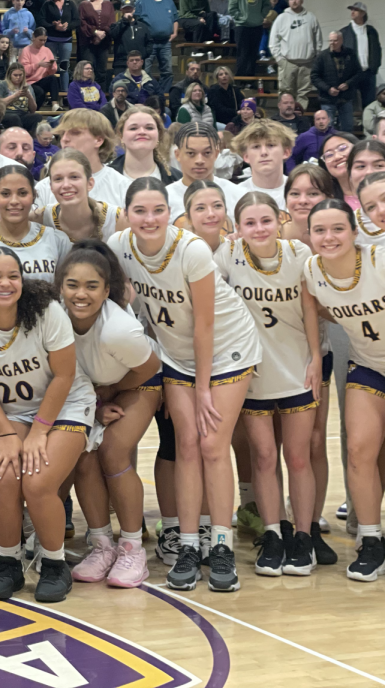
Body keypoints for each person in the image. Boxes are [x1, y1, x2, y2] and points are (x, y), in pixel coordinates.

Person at [109, 177, 261, 592]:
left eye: (158, 209)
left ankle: (222, 544)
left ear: (169, 212)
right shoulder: (121, 245)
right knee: (188, 444)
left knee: (213, 444)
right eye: (140, 210)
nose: (149, 218)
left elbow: (206, 325)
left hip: (227, 348)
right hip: (177, 355)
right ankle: (190, 545)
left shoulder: (190, 249)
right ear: (127, 214)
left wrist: (205, 387)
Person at [0, 246, 92, 603]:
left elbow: (64, 376)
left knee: (37, 482)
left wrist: (38, 432)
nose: (5, 283)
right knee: (1, 478)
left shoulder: (48, 313)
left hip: (65, 406)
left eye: (12, 276)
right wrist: (3, 430)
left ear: (22, 279)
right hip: (13, 412)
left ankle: (54, 565)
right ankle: (8, 563)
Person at [215, 194, 322, 577]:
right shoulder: (228, 256)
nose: (258, 229)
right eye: (249, 223)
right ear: (237, 227)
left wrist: (315, 357)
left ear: (280, 220)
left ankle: (304, 537)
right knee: (262, 457)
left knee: (297, 457)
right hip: (252, 371)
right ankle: (273, 533)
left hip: (296, 368)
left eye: (265, 220)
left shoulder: (298, 253)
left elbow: (310, 308)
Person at [59, 240, 162, 588]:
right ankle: (102, 545)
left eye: (91, 286)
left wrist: (109, 394)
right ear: (61, 286)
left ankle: (132, 548)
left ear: (106, 290)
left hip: (137, 382)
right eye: (72, 285)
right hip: (93, 392)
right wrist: (96, 403)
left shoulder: (119, 328)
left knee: (113, 451)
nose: (80, 294)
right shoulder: (54, 319)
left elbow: (150, 367)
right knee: (83, 456)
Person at [304, 198, 385, 579]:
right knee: (357, 449)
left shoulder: (379, 262)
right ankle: (372, 541)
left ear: (355, 232)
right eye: (319, 230)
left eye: (338, 229)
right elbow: (313, 312)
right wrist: (311, 358)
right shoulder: (311, 269)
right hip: (369, 367)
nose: (329, 237)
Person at [0, 164, 71, 282]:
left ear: (33, 196)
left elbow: (65, 292)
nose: (14, 201)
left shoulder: (58, 240)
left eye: (22, 193)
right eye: (5, 194)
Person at [35, 149, 126, 243]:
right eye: (58, 179)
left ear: (90, 183)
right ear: (51, 187)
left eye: (74, 177)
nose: (66, 185)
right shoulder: (40, 218)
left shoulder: (118, 220)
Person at [268, 0, 323, 108]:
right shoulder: (281, 18)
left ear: (302, 0)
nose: (294, 1)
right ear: (288, 1)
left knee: (304, 94)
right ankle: (286, 120)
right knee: (286, 94)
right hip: (288, 63)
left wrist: (315, 56)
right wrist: (280, 59)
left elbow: (318, 39)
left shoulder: (311, 17)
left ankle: (300, 120)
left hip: (306, 63)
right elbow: (273, 41)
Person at [133, 0, 177, 97]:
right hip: (148, 43)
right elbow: (135, 20)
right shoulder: (141, 1)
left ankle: (162, 96)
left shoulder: (168, 0)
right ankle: (148, 95)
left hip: (165, 42)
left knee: (168, 71)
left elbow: (175, 18)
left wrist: (175, 33)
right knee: (145, 72)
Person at [312, 30, 361, 133]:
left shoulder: (350, 54)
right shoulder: (322, 56)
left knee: (347, 127)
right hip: (327, 98)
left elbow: (358, 73)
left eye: (335, 40)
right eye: (330, 40)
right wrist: (328, 89)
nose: (332, 43)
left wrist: (348, 84)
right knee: (327, 128)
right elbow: (314, 76)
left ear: (341, 40)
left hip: (346, 97)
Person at [229, 0, 272, 78]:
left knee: (253, 54)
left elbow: (267, 4)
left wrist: (261, 16)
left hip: (256, 25)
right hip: (242, 26)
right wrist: (241, 17)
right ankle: (240, 79)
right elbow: (232, 7)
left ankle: (250, 79)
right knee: (242, 53)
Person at [37, 0, 78, 96]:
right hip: (51, 40)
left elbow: (77, 20)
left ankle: (65, 93)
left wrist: (67, 26)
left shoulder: (70, 3)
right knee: (50, 67)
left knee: (64, 66)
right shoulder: (47, 4)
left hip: (66, 40)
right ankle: (52, 93)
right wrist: (53, 25)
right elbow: (41, 20)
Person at [18, 29, 60, 109]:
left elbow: (52, 72)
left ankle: (55, 104)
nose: (43, 42)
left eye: (45, 40)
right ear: (34, 37)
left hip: (42, 79)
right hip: (29, 81)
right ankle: (33, 110)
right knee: (40, 92)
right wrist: (37, 65)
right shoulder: (26, 50)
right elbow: (23, 71)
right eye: (40, 40)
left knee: (53, 79)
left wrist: (50, 67)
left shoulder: (47, 50)